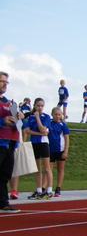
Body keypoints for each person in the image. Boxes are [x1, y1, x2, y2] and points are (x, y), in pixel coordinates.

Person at [0, 71, 23, 213]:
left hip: (10, 143)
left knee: (4, 175)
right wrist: (3, 121)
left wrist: (20, 117)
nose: (5, 84)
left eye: (6, 82)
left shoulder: (10, 103)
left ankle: (3, 203)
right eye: (2, 81)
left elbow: (21, 125)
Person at [25, 98, 53, 200]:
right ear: (34, 106)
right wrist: (38, 133)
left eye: (42, 106)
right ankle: (39, 190)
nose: (40, 108)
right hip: (34, 142)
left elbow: (42, 129)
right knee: (37, 169)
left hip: (43, 143)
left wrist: (38, 118)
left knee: (47, 168)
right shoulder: (30, 117)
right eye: (38, 106)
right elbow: (27, 131)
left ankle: (49, 190)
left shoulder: (46, 117)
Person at [9, 98, 31, 199]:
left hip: (15, 143)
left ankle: (14, 190)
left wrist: (22, 142)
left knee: (15, 167)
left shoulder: (19, 117)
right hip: (4, 143)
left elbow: (24, 130)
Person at [48, 106, 70, 197]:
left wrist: (65, 151)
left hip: (60, 149)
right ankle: (46, 187)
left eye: (59, 115)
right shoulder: (49, 123)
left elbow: (66, 138)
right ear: (52, 115)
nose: (57, 116)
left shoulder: (63, 125)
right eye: (55, 114)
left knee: (60, 169)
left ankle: (58, 188)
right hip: (50, 149)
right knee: (48, 169)